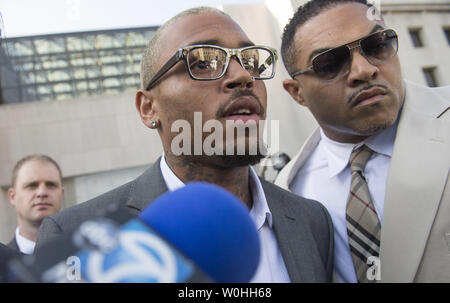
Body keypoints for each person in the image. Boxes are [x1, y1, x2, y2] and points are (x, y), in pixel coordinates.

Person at [36, 7, 334, 282]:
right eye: (203, 62)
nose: (244, 76)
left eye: (251, 61)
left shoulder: (312, 221)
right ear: (148, 108)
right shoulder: (77, 237)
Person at [276, 0, 450, 283]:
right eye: (330, 63)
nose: (363, 70)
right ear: (297, 92)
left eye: (376, 45)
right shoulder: (291, 188)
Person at [7, 154, 64, 255]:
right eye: (31, 186)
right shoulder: (3, 263)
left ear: (62, 193)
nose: (42, 192)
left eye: (51, 185)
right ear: (12, 196)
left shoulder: (88, 257)